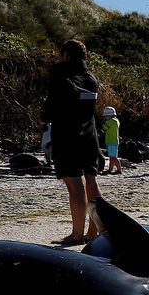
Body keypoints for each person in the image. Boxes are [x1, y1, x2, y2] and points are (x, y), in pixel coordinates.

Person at [42, 39, 103, 245]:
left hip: (67, 133)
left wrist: (45, 116)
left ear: (66, 55)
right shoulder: (90, 78)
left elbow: (52, 105)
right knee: (91, 180)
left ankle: (77, 234)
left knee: (74, 183)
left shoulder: (60, 74)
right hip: (89, 133)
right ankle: (93, 230)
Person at [101, 106, 121, 174]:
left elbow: (104, 129)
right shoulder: (117, 121)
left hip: (111, 141)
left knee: (113, 157)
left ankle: (119, 169)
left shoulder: (110, 122)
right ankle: (110, 169)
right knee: (112, 156)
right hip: (114, 141)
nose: (105, 118)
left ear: (108, 115)